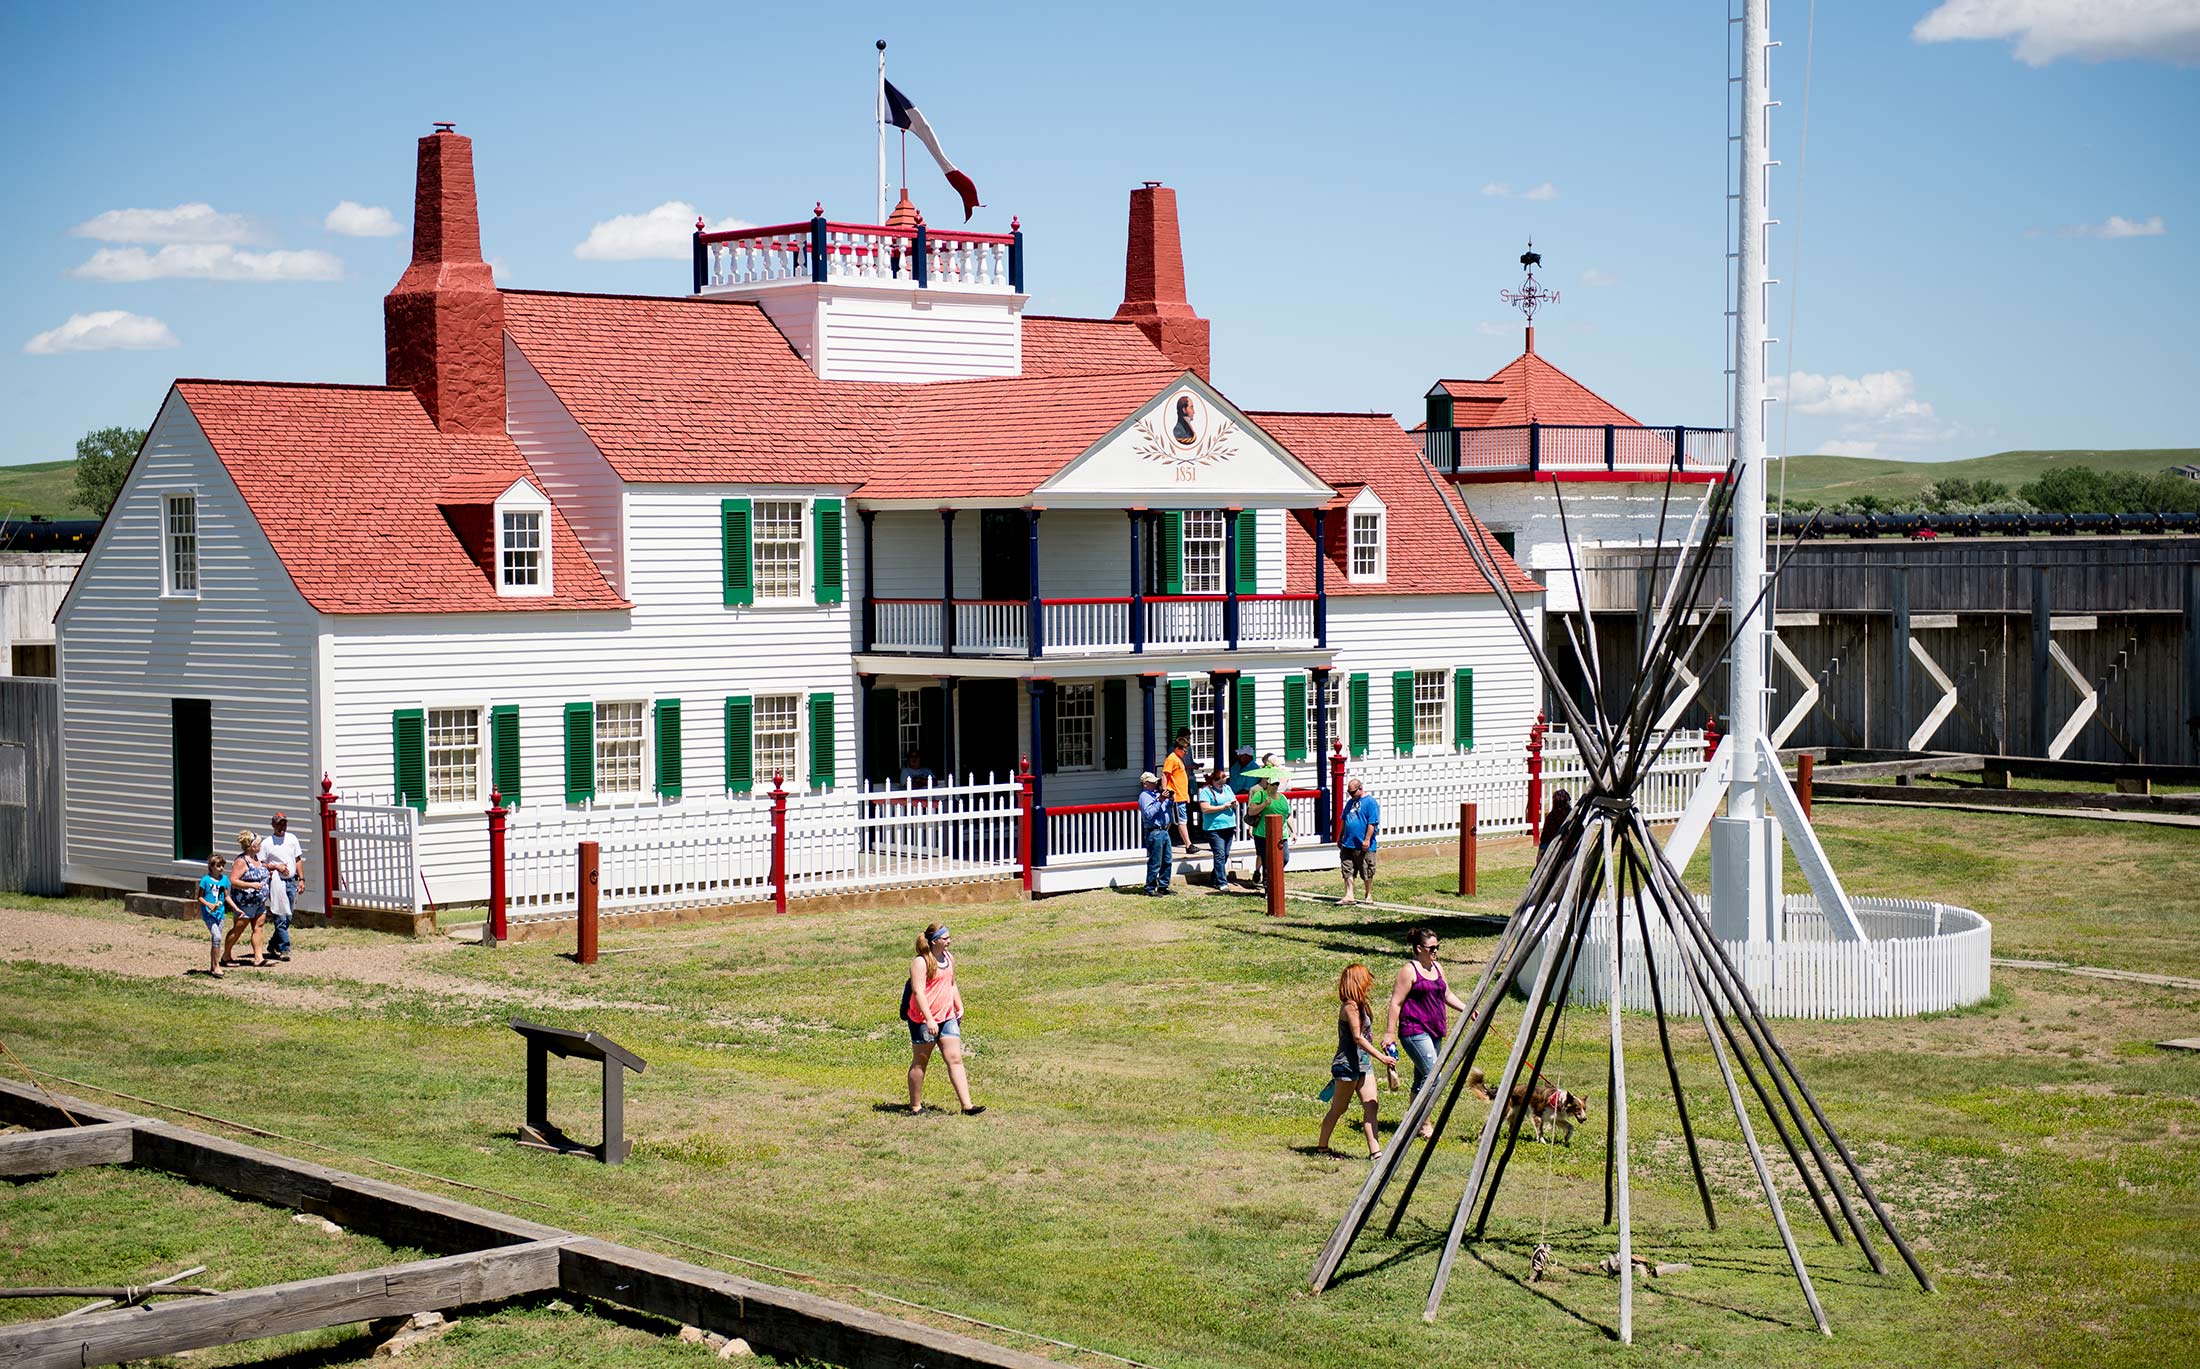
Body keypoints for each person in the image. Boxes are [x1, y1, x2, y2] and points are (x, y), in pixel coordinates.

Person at [1383, 927, 1472, 1139]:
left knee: (1422, 1077)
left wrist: (1467, 1009)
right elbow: (1396, 1003)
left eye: (1437, 947)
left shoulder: (1437, 968)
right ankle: (1422, 1123)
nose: (1435, 951)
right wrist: (1389, 1033)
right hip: (1414, 1031)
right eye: (1432, 948)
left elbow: (1446, 994)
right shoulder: (1409, 970)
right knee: (1434, 1077)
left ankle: (1412, 1121)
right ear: (1418, 948)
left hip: (1435, 1031)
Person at [903, 923, 983, 1115]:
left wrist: (959, 1006)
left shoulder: (948, 958)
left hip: (947, 1017)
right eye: (945, 938)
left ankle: (967, 1106)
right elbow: (918, 992)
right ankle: (915, 1107)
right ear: (934, 941)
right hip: (923, 1020)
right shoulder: (921, 962)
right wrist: (929, 1019)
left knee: (955, 1059)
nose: (949, 941)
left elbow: (952, 984)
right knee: (921, 1061)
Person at [1317, 964, 1388, 1159]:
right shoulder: (1349, 1006)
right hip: (1347, 1065)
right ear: (1357, 982)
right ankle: (1322, 1148)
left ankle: (1376, 1153)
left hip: (1364, 1064)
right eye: (1366, 980)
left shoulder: (1362, 1005)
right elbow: (1357, 1037)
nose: (1369, 985)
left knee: (1371, 1106)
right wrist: (1381, 1057)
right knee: (1339, 1108)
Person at [257, 812, 304, 963]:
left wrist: (301, 879)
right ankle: (285, 948)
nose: (282, 827)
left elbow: (297, 860)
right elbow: (261, 864)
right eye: (279, 824)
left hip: (290, 881)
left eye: (284, 823)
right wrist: (275, 867)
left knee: (288, 915)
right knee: (280, 915)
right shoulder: (267, 843)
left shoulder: (292, 839)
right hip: (275, 882)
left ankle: (272, 944)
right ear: (273, 825)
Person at [220, 829, 270, 968]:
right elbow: (234, 880)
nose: (260, 846)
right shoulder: (241, 861)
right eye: (258, 844)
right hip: (244, 903)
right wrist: (251, 885)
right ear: (252, 846)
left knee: (258, 927)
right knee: (238, 929)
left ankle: (258, 958)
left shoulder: (257, 859)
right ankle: (226, 955)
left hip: (259, 901)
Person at [1338, 776, 1381, 906]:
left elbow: (1372, 823)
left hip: (1363, 844)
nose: (1351, 795)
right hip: (1348, 842)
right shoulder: (1350, 802)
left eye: (1353, 792)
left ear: (1360, 788)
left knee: (1366, 870)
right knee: (1347, 869)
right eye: (1349, 793)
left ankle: (1368, 894)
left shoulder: (1370, 802)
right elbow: (1344, 820)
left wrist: (1367, 839)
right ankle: (1349, 895)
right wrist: (1340, 837)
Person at [1195, 767, 1239, 888]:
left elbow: (1235, 800)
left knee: (1225, 854)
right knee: (1219, 854)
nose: (1222, 786)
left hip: (1229, 826)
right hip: (1214, 828)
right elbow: (1205, 808)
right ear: (1213, 781)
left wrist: (1234, 804)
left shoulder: (1227, 788)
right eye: (1219, 784)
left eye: (1223, 783)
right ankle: (1222, 882)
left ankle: (1214, 878)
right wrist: (1222, 807)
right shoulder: (1205, 791)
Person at [1248, 775, 1292, 891]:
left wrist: (1293, 831)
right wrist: (1264, 805)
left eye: (1277, 784)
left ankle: (1274, 877)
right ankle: (1269, 887)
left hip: (1281, 834)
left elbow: (1288, 815)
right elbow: (1251, 811)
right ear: (1267, 784)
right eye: (1273, 784)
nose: (1275, 786)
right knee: (1267, 861)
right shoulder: (1260, 795)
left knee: (1285, 858)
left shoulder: (1282, 797)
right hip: (1263, 834)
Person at [1137, 771, 1175, 896]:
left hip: (1164, 831)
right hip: (1154, 832)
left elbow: (1166, 809)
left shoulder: (1156, 794)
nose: (1155, 784)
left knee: (1167, 860)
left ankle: (1163, 886)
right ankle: (1150, 888)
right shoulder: (1144, 796)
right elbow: (1149, 813)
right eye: (1152, 782)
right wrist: (1160, 800)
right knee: (1155, 861)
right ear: (1145, 783)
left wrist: (1169, 800)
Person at [195, 853, 229, 978]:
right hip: (209, 914)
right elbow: (199, 897)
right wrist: (208, 904)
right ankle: (217, 966)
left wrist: (236, 908)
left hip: (220, 913)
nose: (221, 868)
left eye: (222, 866)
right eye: (218, 866)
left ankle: (212, 966)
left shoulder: (224, 880)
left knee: (217, 940)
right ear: (211, 866)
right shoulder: (205, 880)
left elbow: (227, 896)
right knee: (217, 937)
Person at [1160, 733, 1193, 851]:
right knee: (1180, 821)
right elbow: (1165, 774)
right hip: (1176, 796)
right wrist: (1164, 791)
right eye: (1184, 750)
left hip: (1181, 795)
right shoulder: (1171, 758)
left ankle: (1162, 842)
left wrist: (1186, 794)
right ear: (1177, 748)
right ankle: (1188, 845)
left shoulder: (1178, 759)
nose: (1186, 752)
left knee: (1173, 821)